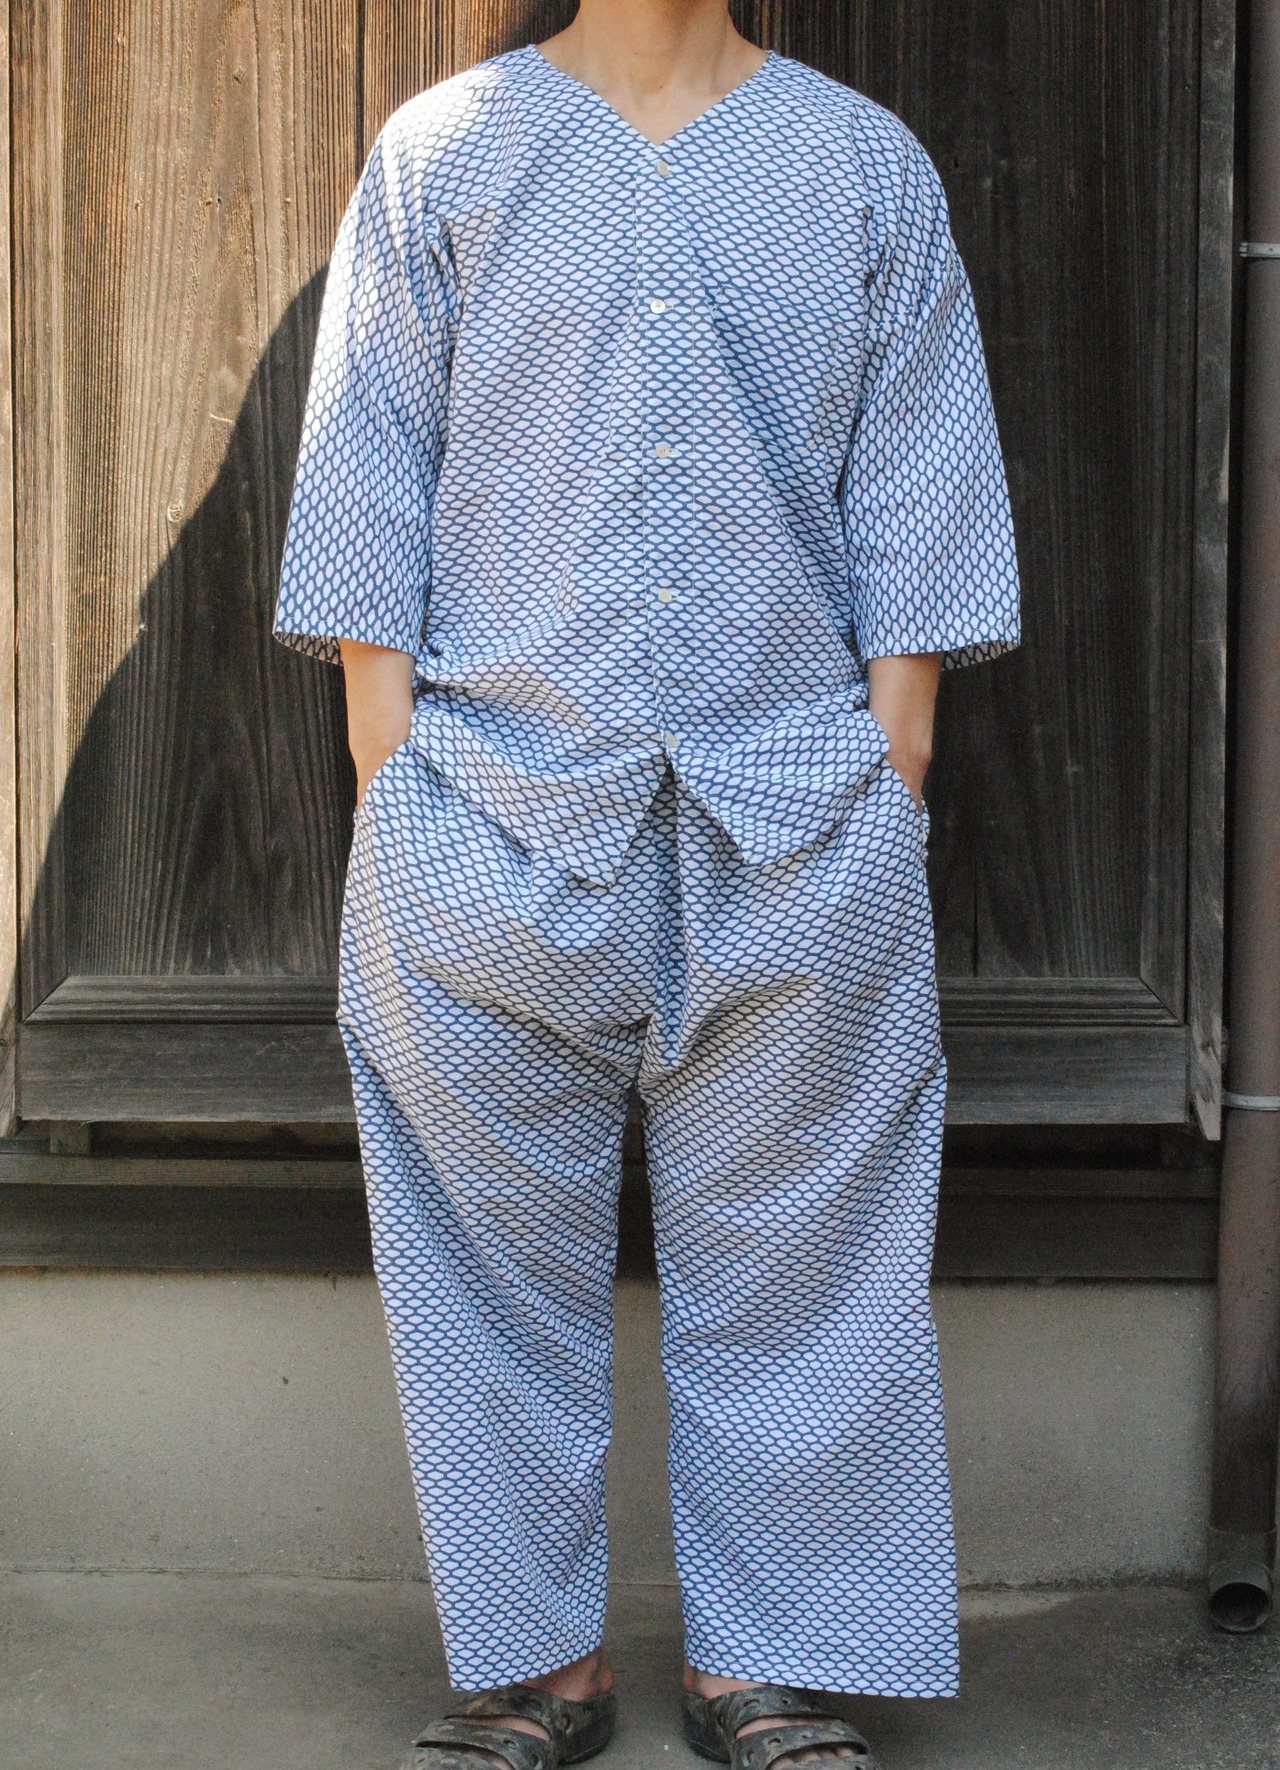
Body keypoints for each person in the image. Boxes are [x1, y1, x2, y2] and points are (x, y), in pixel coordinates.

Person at [273, 1, 1020, 1764]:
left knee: (809, 1264)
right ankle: (537, 1662)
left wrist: (891, 773)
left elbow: (922, 486)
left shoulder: (862, 170)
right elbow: (370, 464)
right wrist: (393, 774)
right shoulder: (444, 159)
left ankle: (774, 1657)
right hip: (490, 816)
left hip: (798, 828)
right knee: (481, 1271)